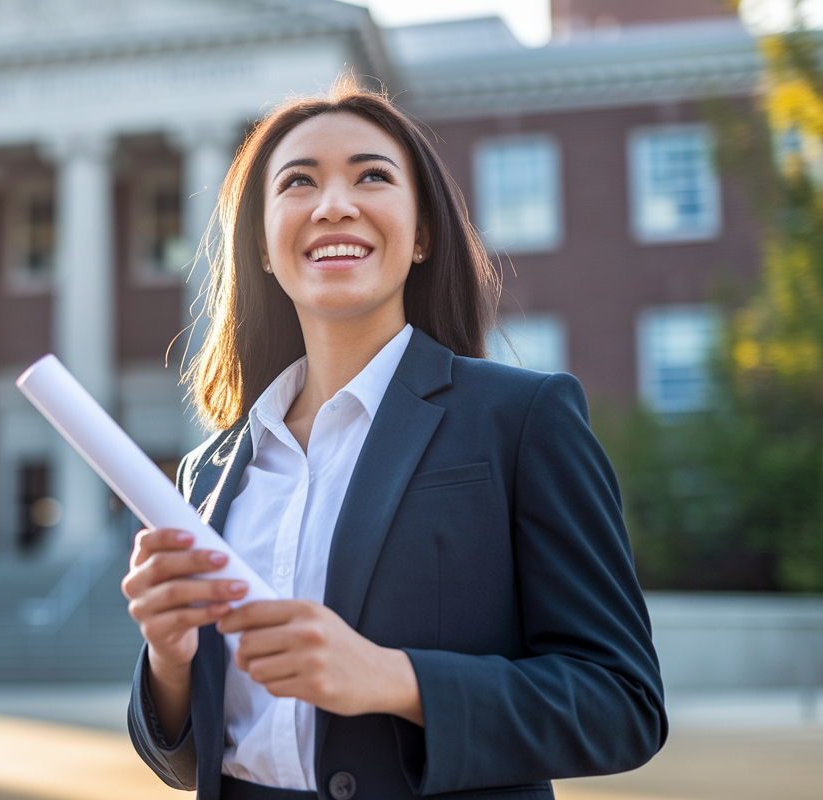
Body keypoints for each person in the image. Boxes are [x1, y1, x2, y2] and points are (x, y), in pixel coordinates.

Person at [121, 77, 666, 800]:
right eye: (298, 182)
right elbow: (193, 763)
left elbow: (622, 704)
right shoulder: (208, 471)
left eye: (371, 176)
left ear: (422, 233)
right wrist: (170, 657)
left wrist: (396, 680)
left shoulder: (522, 419)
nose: (334, 204)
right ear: (259, 243)